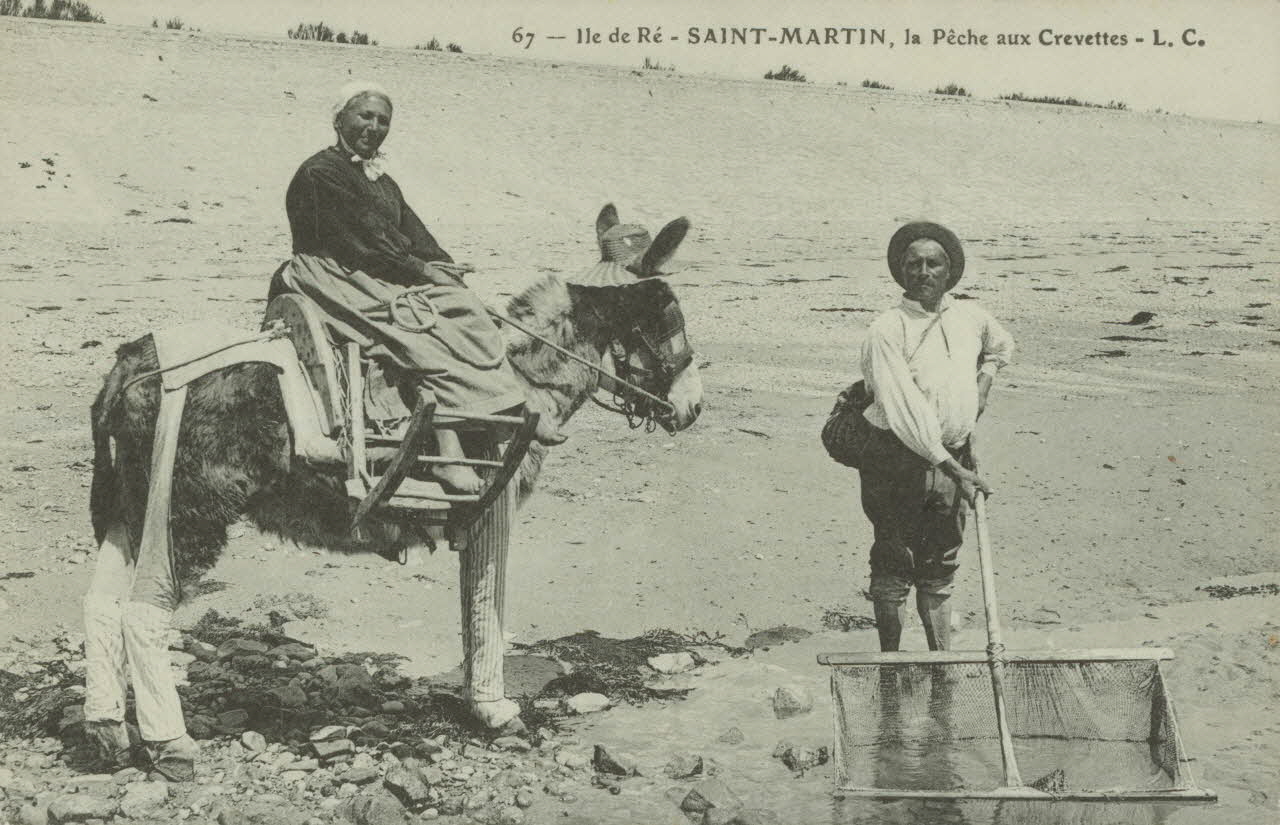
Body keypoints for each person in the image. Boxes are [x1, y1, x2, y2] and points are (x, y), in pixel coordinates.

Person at [279, 81, 552, 492]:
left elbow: (411, 230)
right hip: (334, 274)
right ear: (338, 119)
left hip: (377, 269)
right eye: (364, 116)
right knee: (420, 334)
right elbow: (362, 243)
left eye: (382, 120)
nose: (374, 126)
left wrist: (444, 266)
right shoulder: (321, 173)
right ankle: (448, 452)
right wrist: (423, 272)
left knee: (468, 311)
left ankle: (507, 410)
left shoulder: (381, 181)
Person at [858, 222, 1015, 652]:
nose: (923, 272)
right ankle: (890, 659)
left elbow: (1001, 345)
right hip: (896, 461)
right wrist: (955, 468)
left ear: (950, 272)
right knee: (894, 560)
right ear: (901, 272)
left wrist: (985, 379)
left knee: (941, 560)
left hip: (954, 458)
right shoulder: (886, 329)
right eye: (913, 264)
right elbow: (904, 413)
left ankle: (939, 661)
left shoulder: (970, 316)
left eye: (933, 264)